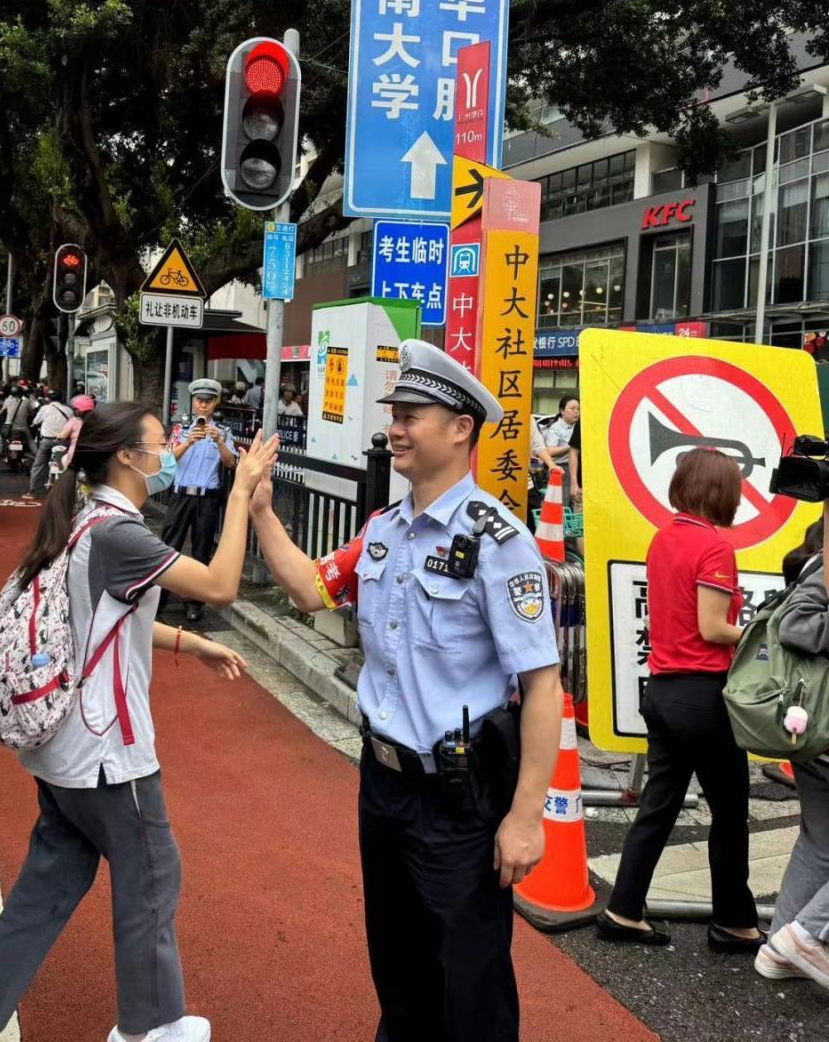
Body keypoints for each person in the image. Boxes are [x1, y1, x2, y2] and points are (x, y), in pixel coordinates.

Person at [0, 403, 279, 1042]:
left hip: (62, 752)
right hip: (105, 753)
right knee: (151, 883)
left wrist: (189, 644)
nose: (168, 451)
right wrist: (241, 495)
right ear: (126, 456)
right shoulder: (120, 534)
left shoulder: (83, 522)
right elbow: (222, 584)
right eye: (158, 443)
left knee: (40, 901)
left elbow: (102, 619)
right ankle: (151, 1029)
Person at [249, 339, 563, 1042]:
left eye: (412, 413)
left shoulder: (499, 541)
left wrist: (526, 817)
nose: (394, 425)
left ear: (460, 429)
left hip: (460, 799)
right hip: (383, 787)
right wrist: (263, 513)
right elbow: (308, 590)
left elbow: (543, 686)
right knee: (397, 968)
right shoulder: (382, 532)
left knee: (471, 982)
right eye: (394, 411)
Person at [597, 447, 761, 951]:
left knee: (659, 806)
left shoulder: (664, 538)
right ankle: (734, 922)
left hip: (664, 690)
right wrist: (757, 631)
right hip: (703, 697)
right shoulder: (715, 549)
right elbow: (713, 628)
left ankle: (623, 910)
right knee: (730, 812)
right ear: (721, 492)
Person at [756, 516, 829, 988]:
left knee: (819, 842)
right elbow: (799, 626)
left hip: (813, 731)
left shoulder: (813, 567)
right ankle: (806, 934)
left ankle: (779, 946)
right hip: (822, 730)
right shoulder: (822, 572)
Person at [159, 379, 237, 627]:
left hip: (207, 498)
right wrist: (189, 441)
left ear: (215, 403)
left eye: (208, 401)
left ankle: (194, 604)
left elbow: (230, 463)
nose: (203, 406)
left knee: (202, 551)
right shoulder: (180, 429)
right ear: (193, 401)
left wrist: (219, 442)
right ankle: (158, 600)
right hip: (181, 495)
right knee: (169, 547)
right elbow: (168, 459)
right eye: (199, 401)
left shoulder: (223, 431)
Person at [27, 388, 74, 498]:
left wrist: (34, 423)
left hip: (47, 441)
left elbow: (36, 421)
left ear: (48, 398)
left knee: (38, 464)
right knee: (64, 465)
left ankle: (32, 491)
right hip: (62, 441)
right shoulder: (68, 410)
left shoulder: (45, 408)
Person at [0, 384, 37, 467]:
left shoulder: (8, 401)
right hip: (23, 428)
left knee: (0, 441)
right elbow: (32, 413)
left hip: (9, 428)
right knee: (30, 440)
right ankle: (38, 458)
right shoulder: (26, 401)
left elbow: (1, 412)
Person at [541, 396, 580, 499]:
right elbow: (550, 451)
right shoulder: (555, 428)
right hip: (562, 469)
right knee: (563, 503)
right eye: (572, 408)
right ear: (562, 411)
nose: (576, 412)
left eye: (578, 409)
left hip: (578, 468)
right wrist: (573, 445)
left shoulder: (580, 426)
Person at [526, 415, 556, 533]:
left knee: (532, 530)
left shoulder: (527, 418)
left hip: (526, 486)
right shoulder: (489, 413)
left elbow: (538, 446)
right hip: (492, 484)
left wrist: (551, 464)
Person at [58, 394, 96, 472]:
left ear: (77, 410)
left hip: (75, 457)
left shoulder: (74, 421)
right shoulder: (96, 422)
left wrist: (58, 436)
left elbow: (62, 436)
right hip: (92, 457)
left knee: (62, 462)